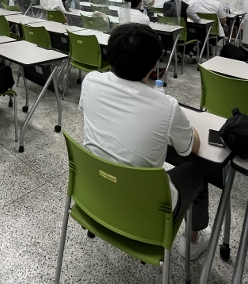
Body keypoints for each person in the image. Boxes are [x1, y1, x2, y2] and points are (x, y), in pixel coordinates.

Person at [79, 24, 210, 260]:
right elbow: (191, 147)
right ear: (153, 66)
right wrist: (184, 122)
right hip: (146, 211)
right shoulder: (166, 107)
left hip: (95, 193)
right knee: (198, 171)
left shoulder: (90, 81)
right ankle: (193, 242)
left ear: (110, 54)